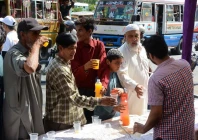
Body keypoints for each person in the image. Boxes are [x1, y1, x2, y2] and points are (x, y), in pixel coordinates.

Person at [44, 33, 116, 131]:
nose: (74, 51)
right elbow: (74, 98)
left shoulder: (65, 63)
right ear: (60, 48)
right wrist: (100, 101)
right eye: (70, 48)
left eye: (75, 48)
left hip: (69, 119)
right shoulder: (60, 69)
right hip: (62, 122)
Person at [133, 35, 195, 139]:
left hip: (168, 134)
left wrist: (143, 128)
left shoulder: (156, 79)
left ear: (151, 56)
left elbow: (156, 114)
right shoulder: (185, 65)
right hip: (187, 129)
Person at [3, 18, 49, 139]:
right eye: (35, 33)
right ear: (22, 34)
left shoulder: (30, 53)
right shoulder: (14, 53)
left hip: (32, 113)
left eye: (39, 33)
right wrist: (37, 45)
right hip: (20, 120)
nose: (38, 37)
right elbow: (29, 67)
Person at [71, 18, 110, 123]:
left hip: (95, 91)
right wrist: (85, 67)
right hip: (79, 92)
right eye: (77, 30)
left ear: (89, 31)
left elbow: (104, 68)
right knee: (80, 122)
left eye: (80, 30)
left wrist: (103, 85)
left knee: (95, 121)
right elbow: (74, 72)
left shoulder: (99, 45)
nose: (77, 33)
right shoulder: (75, 47)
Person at [117, 24, 150, 115]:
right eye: (130, 36)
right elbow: (122, 75)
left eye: (136, 36)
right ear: (125, 37)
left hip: (144, 91)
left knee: (143, 117)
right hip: (131, 92)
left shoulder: (142, 49)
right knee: (130, 120)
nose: (134, 39)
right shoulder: (121, 52)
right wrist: (135, 86)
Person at [94, 49, 125, 121]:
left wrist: (122, 90)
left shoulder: (117, 74)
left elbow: (123, 87)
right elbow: (99, 97)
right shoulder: (101, 78)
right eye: (116, 63)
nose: (119, 66)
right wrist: (113, 107)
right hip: (101, 115)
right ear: (108, 62)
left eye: (120, 63)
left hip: (114, 114)